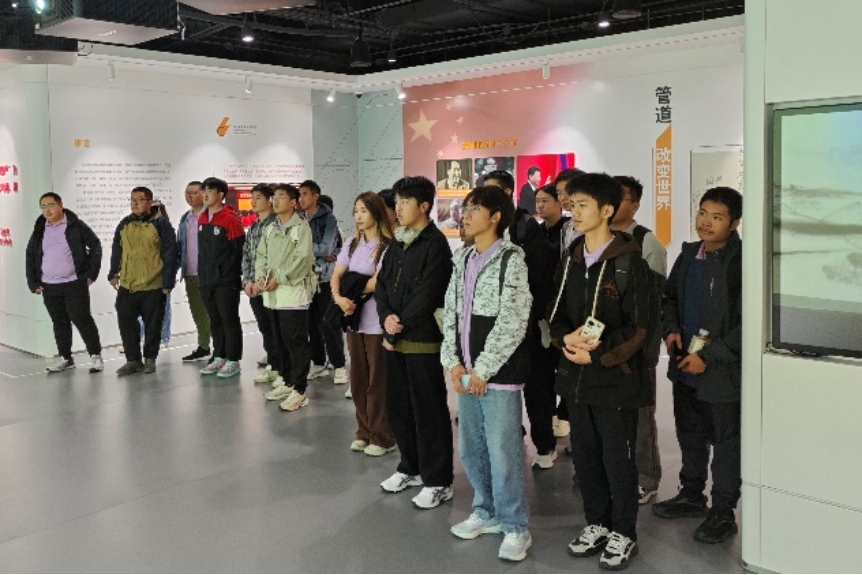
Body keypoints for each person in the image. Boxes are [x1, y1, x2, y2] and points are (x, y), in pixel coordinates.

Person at [550, 172, 651, 571]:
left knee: (617, 459)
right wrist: (564, 339)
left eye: (582, 205)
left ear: (607, 210)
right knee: (586, 457)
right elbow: (554, 314)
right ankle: (597, 522)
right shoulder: (571, 258)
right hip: (575, 380)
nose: (574, 212)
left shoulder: (630, 262)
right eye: (572, 205)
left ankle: (624, 531)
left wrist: (597, 356)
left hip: (614, 381)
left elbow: (640, 328)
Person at [442, 186, 533, 562]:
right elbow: (450, 313)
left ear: (495, 216)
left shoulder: (512, 260)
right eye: (465, 208)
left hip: (498, 374)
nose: (465, 215)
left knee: (503, 451)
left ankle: (515, 525)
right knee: (471, 447)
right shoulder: (462, 258)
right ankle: (486, 510)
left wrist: (483, 369)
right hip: (466, 372)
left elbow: (513, 320)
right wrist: (453, 362)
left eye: (474, 208)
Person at [652, 186, 743, 545]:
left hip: (721, 373)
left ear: (734, 223)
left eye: (717, 216)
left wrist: (709, 357)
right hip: (684, 365)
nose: (706, 222)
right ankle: (691, 494)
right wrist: (671, 330)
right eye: (703, 212)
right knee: (689, 434)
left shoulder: (741, 262)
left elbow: (746, 325)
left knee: (725, 443)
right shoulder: (689, 254)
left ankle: (723, 512)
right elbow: (669, 298)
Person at [375, 176, 454, 509]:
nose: (398, 208)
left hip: (421, 341)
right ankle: (411, 467)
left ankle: (438, 480)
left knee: (429, 411)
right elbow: (381, 285)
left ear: (424, 206)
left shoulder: (436, 244)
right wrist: (385, 316)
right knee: (399, 408)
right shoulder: (397, 242)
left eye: (405, 202)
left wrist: (397, 326)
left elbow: (429, 294)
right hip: (394, 339)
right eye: (397, 202)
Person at [483, 170, 558, 469]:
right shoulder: (484, 231)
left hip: (527, 326)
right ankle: (511, 439)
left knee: (537, 389)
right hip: (493, 329)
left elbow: (539, 281)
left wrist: (530, 318)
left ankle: (545, 445)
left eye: (492, 192)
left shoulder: (528, 229)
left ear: (507, 193)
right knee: (501, 388)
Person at [612, 176, 668, 505]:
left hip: (637, 349)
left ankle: (646, 478)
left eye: (621, 198)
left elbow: (654, 304)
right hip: (605, 348)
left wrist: (645, 349)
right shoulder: (595, 238)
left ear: (635, 205)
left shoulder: (647, 242)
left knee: (640, 417)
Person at [331, 192, 396, 456]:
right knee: (358, 379)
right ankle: (364, 431)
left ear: (376, 213)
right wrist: (339, 299)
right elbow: (337, 275)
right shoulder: (351, 244)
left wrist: (351, 289)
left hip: (376, 323)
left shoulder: (387, 246)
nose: (358, 216)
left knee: (377, 381)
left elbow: (377, 282)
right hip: (353, 320)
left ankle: (382, 436)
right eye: (356, 210)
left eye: (364, 211)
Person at [26, 192, 104, 373]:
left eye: (51, 205)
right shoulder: (39, 229)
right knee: (59, 322)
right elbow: (30, 255)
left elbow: (95, 245)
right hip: (49, 285)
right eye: (43, 207)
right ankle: (65, 358)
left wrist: (91, 273)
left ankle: (95, 356)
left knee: (82, 319)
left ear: (61, 205)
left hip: (74, 283)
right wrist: (33, 281)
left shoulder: (75, 225)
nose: (47, 210)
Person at [258, 184, 317, 412]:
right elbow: (261, 255)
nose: (275, 200)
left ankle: (300, 390)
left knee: (295, 341)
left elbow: (303, 259)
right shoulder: (270, 228)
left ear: (293, 202)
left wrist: (279, 278)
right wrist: (261, 275)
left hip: (292, 293)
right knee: (279, 340)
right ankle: (287, 380)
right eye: (274, 197)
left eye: (281, 197)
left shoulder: (300, 227)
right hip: (272, 294)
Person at [109, 186, 177, 376]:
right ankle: (133, 360)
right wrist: (113, 273)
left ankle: (150, 359)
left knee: (153, 325)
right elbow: (117, 250)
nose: (135, 204)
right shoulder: (125, 224)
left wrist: (168, 282)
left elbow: (170, 254)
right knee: (126, 324)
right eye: (132, 200)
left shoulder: (161, 224)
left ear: (149, 202)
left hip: (153, 285)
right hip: (128, 285)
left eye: (139, 200)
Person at [196, 177, 246, 379]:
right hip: (206, 280)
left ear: (221, 194)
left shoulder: (230, 219)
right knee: (214, 319)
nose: (205, 195)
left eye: (209, 191)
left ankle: (233, 359)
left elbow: (238, 251)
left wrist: (228, 274)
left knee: (229, 319)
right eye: (203, 191)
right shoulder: (202, 218)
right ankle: (219, 356)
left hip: (226, 281)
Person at [299, 180, 347, 384]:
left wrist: (302, 249)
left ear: (315, 196)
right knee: (311, 325)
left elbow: (327, 248)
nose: (301, 198)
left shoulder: (328, 219)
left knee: (329, 323)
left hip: (325, 278)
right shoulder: (299, 218)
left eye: (305, 194)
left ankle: (339, 365)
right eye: (299, 194)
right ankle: (318, 363)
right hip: (304, 279)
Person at [535, 184, 572, 440]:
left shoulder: (568, 230)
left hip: (566, 307)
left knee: (566, 364)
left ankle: (565, 415)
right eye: (537, 201)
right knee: (544, 367)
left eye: (545, 200)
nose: (540, 205)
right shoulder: (536, 232)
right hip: (544, 308)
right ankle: (549, 415)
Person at [242, 184, 280, 386]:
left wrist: (261, 282)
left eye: (258, 198)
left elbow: (275, 258)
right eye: (252, 198)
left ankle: (279, 367)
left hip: (271, 286)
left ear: (269, 200)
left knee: (276, 328)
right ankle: (272, 364)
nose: (253, 201)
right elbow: (247, 256)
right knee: (265, 327)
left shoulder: (276, 225)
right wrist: (248, 281)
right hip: (254, 287)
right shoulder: (254, 226)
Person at [176, 181, 212, 362]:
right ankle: (204, 346)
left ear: (204, 194)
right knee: (198, 313)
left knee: (213, 313)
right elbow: (180, 246)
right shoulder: (185, 218)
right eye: (187, 193)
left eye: (194, 192)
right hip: (190, 273)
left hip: (209, 273)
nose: (190, 196)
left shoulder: (211, 216)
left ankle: (223, 350)